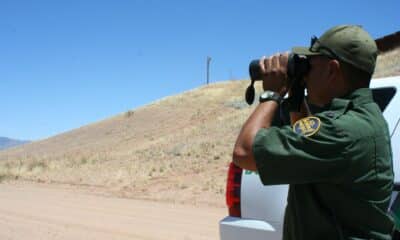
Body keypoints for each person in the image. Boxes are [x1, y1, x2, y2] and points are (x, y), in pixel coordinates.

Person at [232, 25, 395, 240]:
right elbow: (307, 137)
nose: (305, 71)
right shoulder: (363, 118)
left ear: (332, 70)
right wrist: (296, 96)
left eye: (310, 64)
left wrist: (272, 93)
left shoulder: (342, 130)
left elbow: (244, 152)